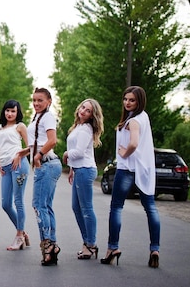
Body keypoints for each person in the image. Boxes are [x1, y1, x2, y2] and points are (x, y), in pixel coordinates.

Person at [102, 86, 161, 268]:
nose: (127, 103)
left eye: (132, 100)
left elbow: (134, 143)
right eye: (125, 99)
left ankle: (112, 248)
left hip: (127, 169)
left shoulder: (133, 121)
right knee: (150, 208)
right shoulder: (144, 118)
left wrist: (124, 153)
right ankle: (155, 249)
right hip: (145, 169)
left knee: (117, 208)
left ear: (139, 101)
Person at [62, 99, 104, 260]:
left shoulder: (86, 129)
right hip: (79, 169)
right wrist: (72, 168)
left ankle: (90, 244)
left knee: (86, 209)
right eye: (83, 107)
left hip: (85, 170)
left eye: (88, 110)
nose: (83, 111)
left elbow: (79, 152)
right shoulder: (78, 127)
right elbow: (79, 152)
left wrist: (66, 155)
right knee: (77, 208)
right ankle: (88, 242)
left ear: (92, 115)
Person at [28, 87, 62, 266]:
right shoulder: (37, 117)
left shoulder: (47, 116)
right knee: (45, 206)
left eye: (40, 100)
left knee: (39, 205)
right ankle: (51, 246)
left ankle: (48, 245)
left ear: (49, 101)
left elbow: (52, 140)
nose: (36, 103)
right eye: (34, 100)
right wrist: (24, 152)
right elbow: (38, 141)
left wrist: (38, 155)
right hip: (48, 163)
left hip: (47, 164)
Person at [0, 99, 31, 251]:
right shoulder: (0, 127)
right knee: (5, 204)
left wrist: (19, 155)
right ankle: (22, 232)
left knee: (18, 201)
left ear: (18, 113)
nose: (9, 114)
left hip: (19, 166)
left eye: (13, 111)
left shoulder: (20, 126)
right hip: (5, 168)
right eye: (7, 110)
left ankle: (19, 236)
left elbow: (31, 147)